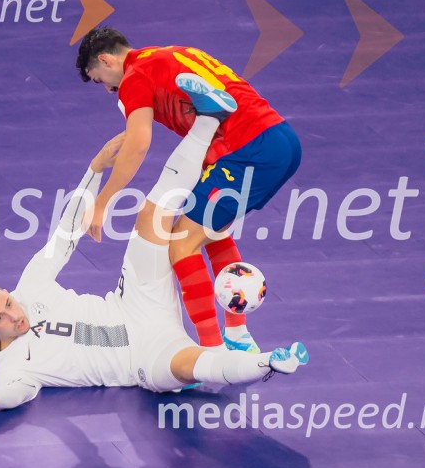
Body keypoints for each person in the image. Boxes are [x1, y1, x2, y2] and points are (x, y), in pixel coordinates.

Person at [0, 78, 308, 409]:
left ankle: (208, 117)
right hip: (141, 358)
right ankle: (269, 361)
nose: (14, 314)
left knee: (151, 216)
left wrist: (95, 168)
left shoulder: (29, 288)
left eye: (8, 303)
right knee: (189, 366)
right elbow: (9, 396)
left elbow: (65, 234)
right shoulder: (15, 367)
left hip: (133, 302)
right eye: (0, 318)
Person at [75, 27, 302, 354]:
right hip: (280, 137)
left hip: (245, 150)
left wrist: (102, 201)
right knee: (211, 231)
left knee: (181, 243)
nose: (108, 88)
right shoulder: (170, 53)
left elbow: (139, 143)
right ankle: (237, 335)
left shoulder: (133, 78)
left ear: (106, 60)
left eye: (100, 80)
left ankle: (212, 350)